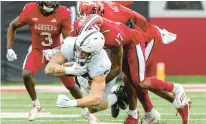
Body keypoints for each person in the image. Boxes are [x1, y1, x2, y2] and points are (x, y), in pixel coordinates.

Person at [77, 2, 191, 124]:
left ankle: (173, 93)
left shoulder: (111, 23)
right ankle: (146, 112)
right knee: (133, 79)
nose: (86, 21)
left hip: (146, 38)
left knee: (138, 80)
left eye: (89, 17)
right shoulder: (102, 8)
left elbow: (116, 65)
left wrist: (98, 82)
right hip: (130, 39)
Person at [6, 1, 85, 121]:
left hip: (56, 52)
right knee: (26, 74)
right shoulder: (30, 10)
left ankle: (87, 112)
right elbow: (13, 25)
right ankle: (36, 104)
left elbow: (68, 41)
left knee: (71, 86)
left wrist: (57, 50)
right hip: (37, 50)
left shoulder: (62, 13)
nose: (51, 3)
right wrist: (9, 49)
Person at [45, 30, 119, 124]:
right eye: (79, 49)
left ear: (94, 53)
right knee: (63, 68)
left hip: (102, 78)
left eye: (84, 52)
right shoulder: (71, 44)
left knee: (93, 108)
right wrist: (69, 70)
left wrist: (71, 103)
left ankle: (117, 96)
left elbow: (96, 98)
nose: (79, 54)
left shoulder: (101, 64)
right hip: (83, 73)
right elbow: (48, 69)